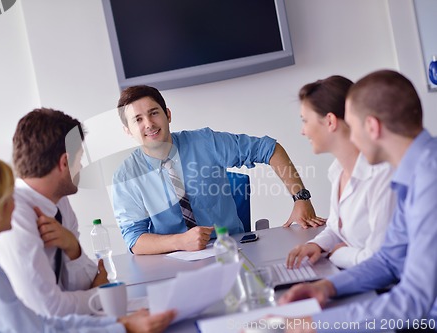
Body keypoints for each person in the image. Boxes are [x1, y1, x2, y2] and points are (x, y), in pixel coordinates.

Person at [0, 155, 175, 333]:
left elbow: (40, 323)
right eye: (9, 194)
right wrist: (123, 327)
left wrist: (119, 323)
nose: (15, 201)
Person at [279, 70, 437, 332]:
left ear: (372, 127)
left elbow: (413, 300)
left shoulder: (429, 179)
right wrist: (327, 287)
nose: (350, 138)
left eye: (353, 127)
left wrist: (314, 325)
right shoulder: (413, 174)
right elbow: (389, 260)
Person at [112, 85, 325, 255]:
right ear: (127, 130)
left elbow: (269, 149)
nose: (149, 124)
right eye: (137, 119)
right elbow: (134, 240)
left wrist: (301, 198)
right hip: (173, 261)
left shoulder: (205, 142)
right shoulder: (125, 177)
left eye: (153, 113)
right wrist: (181, 241)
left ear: (168, 114)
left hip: (233, 250)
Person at [0, 109, 106, 316]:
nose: (81, 166)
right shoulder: (13, 214)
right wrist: (101, 294)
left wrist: (73, 246)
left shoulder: (60, 203)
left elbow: (78, 286)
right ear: (64, 162)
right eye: (79, 158)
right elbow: (47, 309)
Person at [286, 76, 395, 269]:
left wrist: (337, 254)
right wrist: (316, 245)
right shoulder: (337, 171)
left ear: (330, 121)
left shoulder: (382, 175)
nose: (303, 131)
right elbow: (336, 228)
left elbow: (379, 259)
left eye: (305, 121)